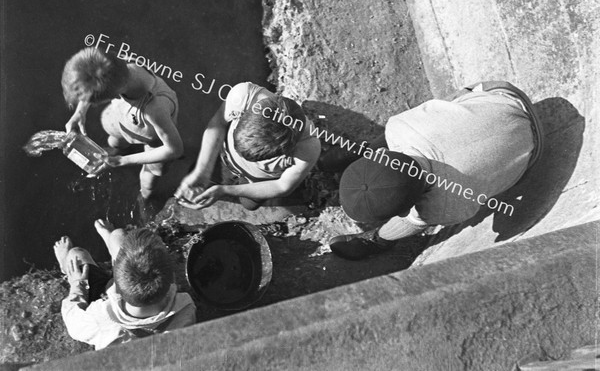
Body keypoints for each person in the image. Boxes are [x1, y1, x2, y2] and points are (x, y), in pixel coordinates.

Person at [328, 81, 544, 260]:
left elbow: (414, 221)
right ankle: (357, 150)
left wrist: (385, 233)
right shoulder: (401, 127)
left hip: (532, 152)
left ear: (406, 209)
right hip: (504, 96)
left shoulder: (444, 205)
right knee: (444, 108)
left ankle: (377, 242)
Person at [175, 81, 321, 210]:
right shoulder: (244, 95)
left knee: (249, 205)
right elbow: (217, 124)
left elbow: (282, 186)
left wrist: (225, 190)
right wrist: (202, 170)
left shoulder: (308, 147)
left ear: (284, 149)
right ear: (246, 114)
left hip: (259, 180)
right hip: (226, 157)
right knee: (196, 172)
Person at [54, 220, 196, 350]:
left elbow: (73, 326)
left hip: (105, 297)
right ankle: (113, 240)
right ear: (172, 280)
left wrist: (76, 284)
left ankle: (66, 267)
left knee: (76, 254)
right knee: (118, 235)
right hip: (129, 291)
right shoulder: (185, 307)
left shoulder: (100, 318)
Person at [62, 48, 183, 199]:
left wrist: (123, 161)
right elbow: (91, 77)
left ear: (114, 95)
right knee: (114, 142)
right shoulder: (116, 67)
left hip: (152, 137)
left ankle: (145, 195)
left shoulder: (155, 109)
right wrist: (80, 112)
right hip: (124, 120)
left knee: (149, 177)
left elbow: (175, 149)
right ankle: (118, 150)